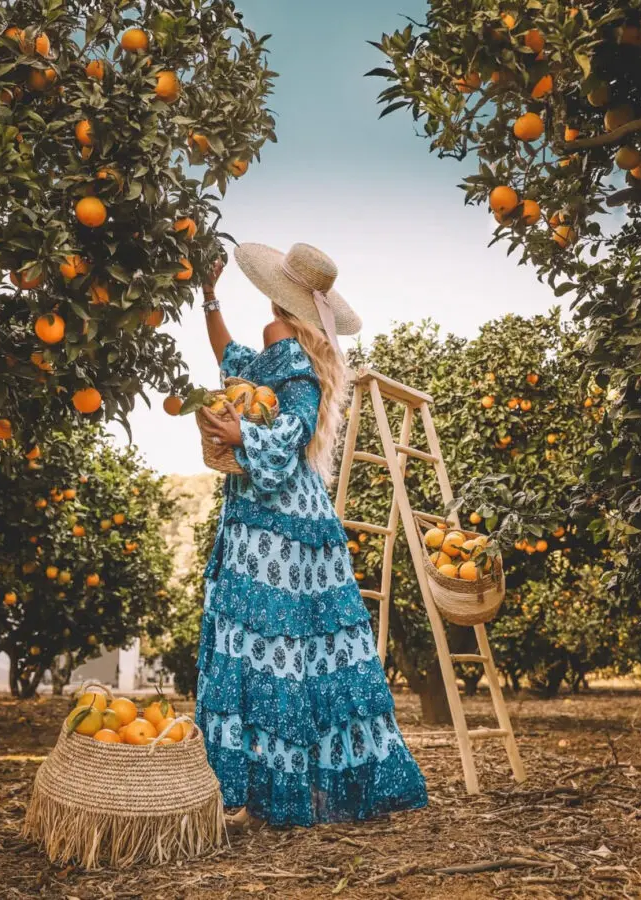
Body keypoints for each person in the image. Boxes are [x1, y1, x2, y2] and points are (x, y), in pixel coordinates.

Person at [195, 242, 427, 829]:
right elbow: (233, 362)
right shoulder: (303, 354)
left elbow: (287, 431)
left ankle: (266, 792)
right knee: (302, 651)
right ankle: (297, 787)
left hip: (275, 523)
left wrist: (241, 434)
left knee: (260, 645)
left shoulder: (283, 341)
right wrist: (209, 297)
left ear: (283, 298)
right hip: (301, 524)